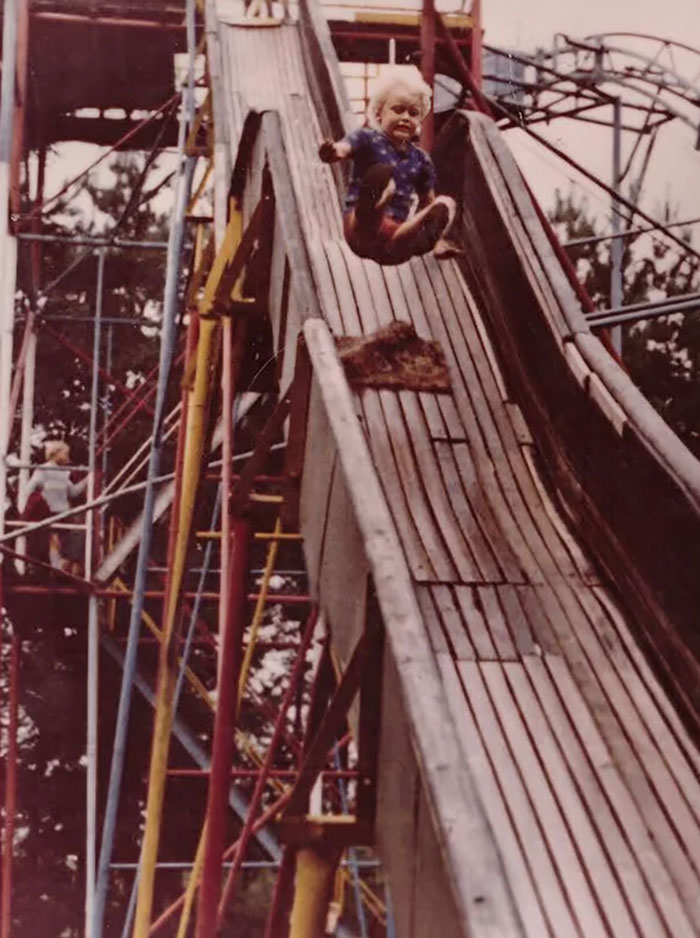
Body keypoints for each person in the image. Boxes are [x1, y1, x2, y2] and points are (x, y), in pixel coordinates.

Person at [318, 65, 462, 266]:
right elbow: (344, 148)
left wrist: (435, 233)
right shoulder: (367, 138)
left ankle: (418, 241)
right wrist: (332, 152)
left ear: (419, 120)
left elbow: (427, 202)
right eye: (398, 110)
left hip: (393, 242)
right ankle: (370, 209)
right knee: (384, 180)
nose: (405, 117)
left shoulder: (421, 160)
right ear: (379, 114)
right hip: (360, 232)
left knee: (445, 203)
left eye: (413, 113)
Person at [24, 440, 87, 574]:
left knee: (66, 541)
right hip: (48, 511)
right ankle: (55, 569)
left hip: (63, 512)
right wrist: (37, 501)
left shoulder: (64, 473)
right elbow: (29, 489)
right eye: (66, 454)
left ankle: (62, 568)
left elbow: (73, 492)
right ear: (56, 453)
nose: (68, 457)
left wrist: (87, 480)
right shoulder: (43, 470)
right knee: (53, 540)